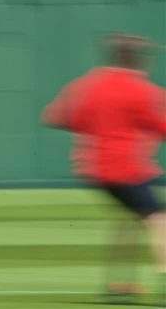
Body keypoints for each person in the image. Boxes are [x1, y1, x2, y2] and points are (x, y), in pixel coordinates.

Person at [42, 33, 166, 302]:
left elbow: (56, 116)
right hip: (126, 169)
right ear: (134, 59)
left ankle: (117, 285)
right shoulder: (139, 89)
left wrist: (100, 125)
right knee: (159, 221)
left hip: (94, 170)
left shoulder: (86, 85)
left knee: (134, 217)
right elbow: (159, 126)